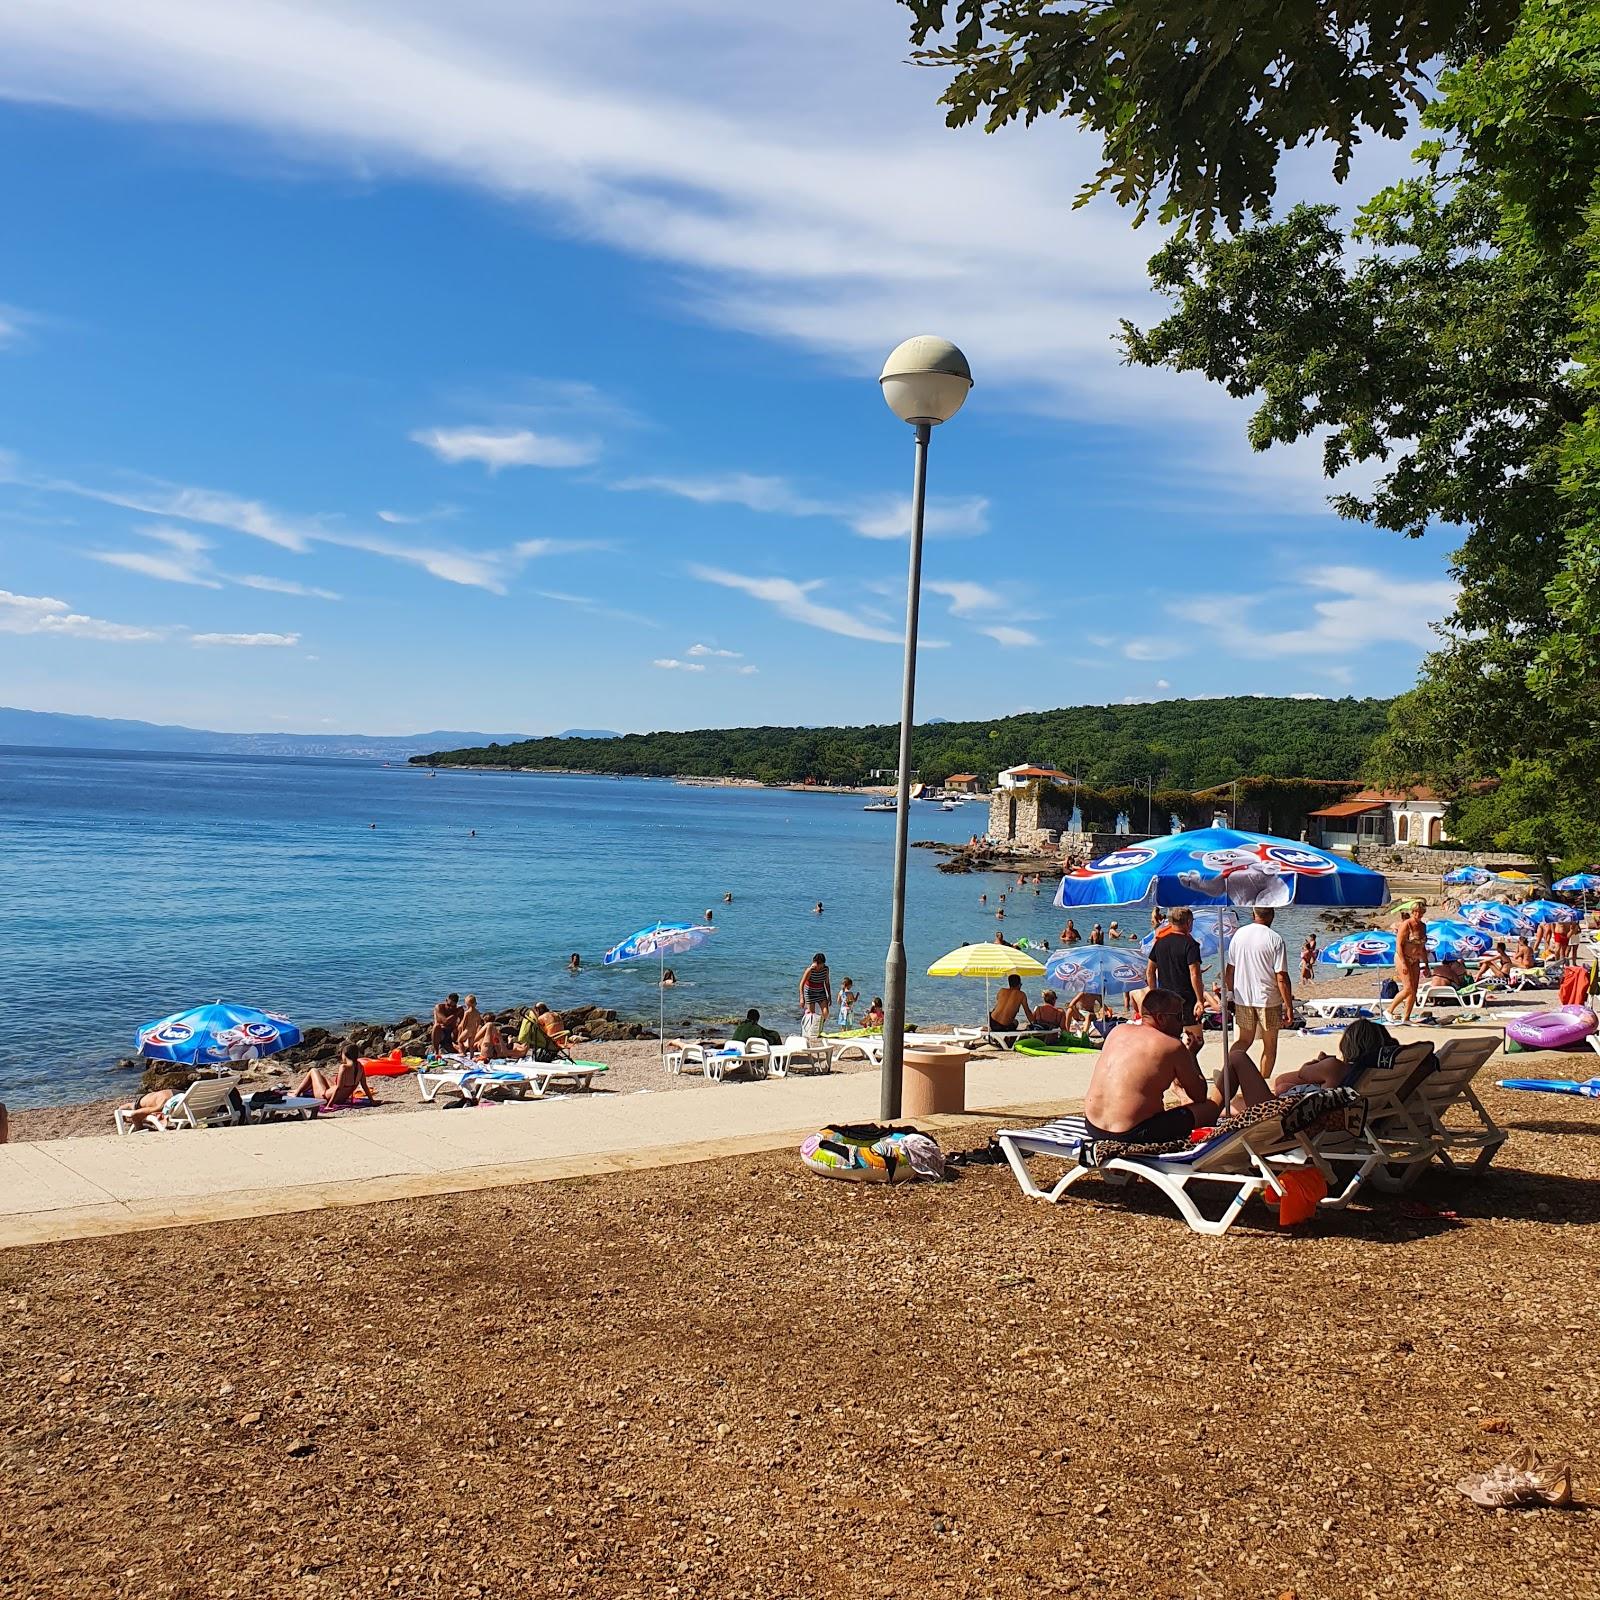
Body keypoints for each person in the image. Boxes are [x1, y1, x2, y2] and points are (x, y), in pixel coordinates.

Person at [1082, 987, 1271, 1142]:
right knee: (1210, 1108)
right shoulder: (1171, 1046)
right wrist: (1192, 1054)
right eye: (1179, 1017)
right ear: (1161, 1018)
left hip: (1093, 1126)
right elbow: (1199, 1096)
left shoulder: (1118, 1031)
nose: (1183, 1023)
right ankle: (1268, 1125)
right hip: (1131, 1133)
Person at [1226, 907, 1293, 1075]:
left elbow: (1229, 971)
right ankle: (1263, 1081)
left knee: (1243, 1041)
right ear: (1272, 915)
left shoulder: (1239, 935)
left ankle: (1228, 1073)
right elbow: (1281, 977)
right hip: (1268, 998)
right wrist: (1289, 1006)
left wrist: (1230, 995)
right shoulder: (1275, 939)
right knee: (1270, 1046)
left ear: (1253, 914)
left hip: (1243, 998)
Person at [1270, 1016, 1396, 1095]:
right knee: (1282, 1083)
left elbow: (1303, 1073)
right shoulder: (1380, 1066)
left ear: (1348, 1045)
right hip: (1360, 1102)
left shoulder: (1336, 1067)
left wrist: (1318, 1061)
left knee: (1282, 1087)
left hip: (1328, 1112)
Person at [1146, 907, 1205, 1049]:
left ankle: (1178, 1067)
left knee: (1172, 1039)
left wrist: (1154, 993)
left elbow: (1150, 971)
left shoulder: (1160, 942)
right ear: (1188, 922)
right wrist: (1200, 1000)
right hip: (1186, 998)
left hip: (1165, 998)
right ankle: (1185, 1067)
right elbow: (1194, 974)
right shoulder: (1190, 944)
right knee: (1196, 1041)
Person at [1387, 900, 1431, 1023]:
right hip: (1403, 958)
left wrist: (1426, 965)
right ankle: (1389, 1010)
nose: (1419, 914)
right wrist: (1404, 963)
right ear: (1412, 912)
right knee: (1408, 988)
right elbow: (1399, 946)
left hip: (1415, 959)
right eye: (1416, 912)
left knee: (1414, 990)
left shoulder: (1423, 926)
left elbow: (1422, 948)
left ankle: (1406, 1018)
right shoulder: (1406, 925)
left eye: (1421, 912)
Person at [294, 1044, 379, 1107]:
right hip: (342, 1098)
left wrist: (329, 1105)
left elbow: (339, 1088)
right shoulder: (360, 1066)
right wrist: (372, 1101)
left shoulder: (344, 1067)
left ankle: (296, 1093)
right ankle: (302, 1090)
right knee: (324, 1077)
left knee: (314, 1071)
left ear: (345, 1055)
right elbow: (364, 1085)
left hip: (325, 1097)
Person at [799, 953, 831, 1028]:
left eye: (820, 964)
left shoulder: (826, 969)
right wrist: (801, 997)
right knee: (811, 1015)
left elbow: (827, 983)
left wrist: (829, 995)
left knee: (826, 1012)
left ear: (823, 963)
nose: (817, 966)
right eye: (816, 963)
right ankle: (811, 1028)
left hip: (821, 992)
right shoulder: (810, 970)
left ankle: (819, 1026)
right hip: (810, 992)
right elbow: (801, 984)